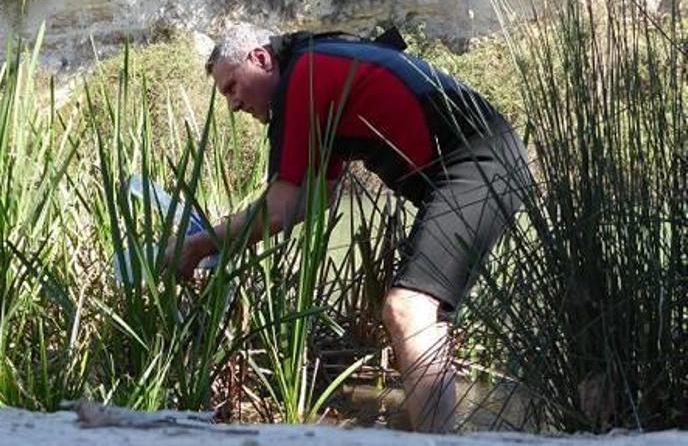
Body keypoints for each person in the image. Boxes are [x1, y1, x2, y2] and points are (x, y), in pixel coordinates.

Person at [163, 23, 531, 432]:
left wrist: (197, 246)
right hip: (482, 161)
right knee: (420, 315)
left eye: (232, 87)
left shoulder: (304, 75)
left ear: (261, 59)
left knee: (408, 309)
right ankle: (437, 431)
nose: (233, 105)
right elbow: (313, 201)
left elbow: (277, 213)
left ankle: (439, 439)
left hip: (479, 160)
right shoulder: (318, 68)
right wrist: (217, 240)